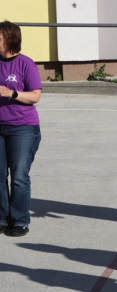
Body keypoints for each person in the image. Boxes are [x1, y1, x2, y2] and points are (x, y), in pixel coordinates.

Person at [0, 21, 42, 237]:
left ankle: (19, 220)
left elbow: (36, 95)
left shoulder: (26, 63)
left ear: (10, 39)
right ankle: (1, 217)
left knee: (18, 176)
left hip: (23, 128)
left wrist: (12, 94)